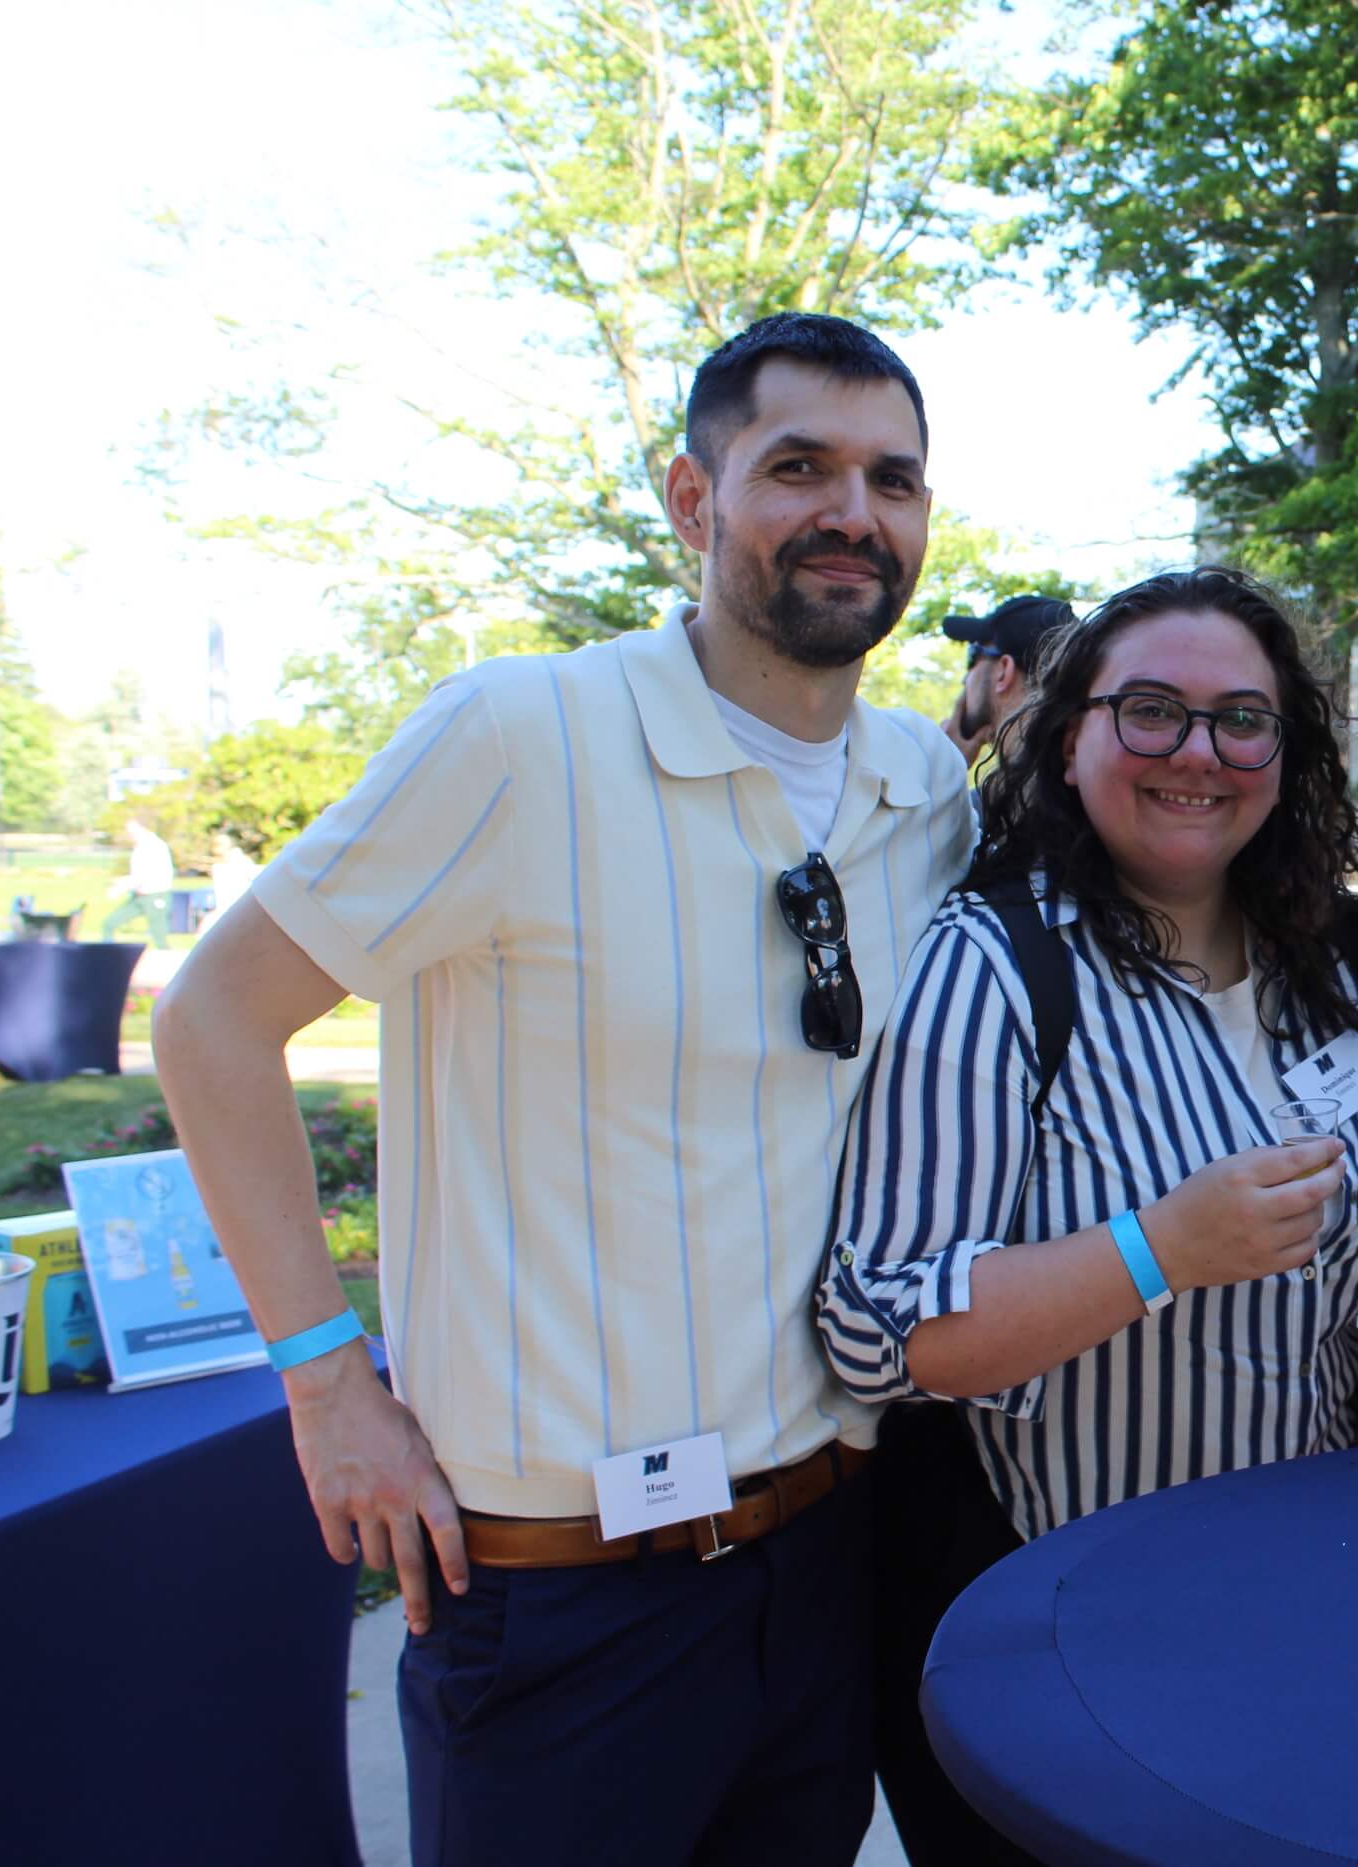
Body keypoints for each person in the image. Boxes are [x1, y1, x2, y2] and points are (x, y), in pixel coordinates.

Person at [151, 311, 975, 1866]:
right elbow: (209, 1018)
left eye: (893, 478)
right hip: (558, 1591)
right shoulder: (518, 735)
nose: (853, 513)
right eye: (797, 467)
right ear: (691, 497)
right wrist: (326, 1381)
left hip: (822, 1561)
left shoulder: (921, 789)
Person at [819, 567, 1358, 1836]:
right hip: (1061, 1623)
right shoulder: (993, 966)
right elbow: (880, 1327)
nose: (1197, 753)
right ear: (1071, 730)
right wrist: (1157, 1249)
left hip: (1298, 1599)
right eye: (1150, 710)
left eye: (1239, 719)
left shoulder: (1339, 957)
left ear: (1286, 747)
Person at [942, 592, 1075, 762]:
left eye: (972, 657)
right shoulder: (1084, 777)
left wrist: (944, 771)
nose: (965, 679)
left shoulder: (1017, 787)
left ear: (1004, 672)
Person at [99, 819, 176, 946]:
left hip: (155, 895)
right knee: (110, 923)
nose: (130, 834)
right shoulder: (141, 847)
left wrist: (119, 888)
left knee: (159, 935)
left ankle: (165, 958)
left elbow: (143, 875)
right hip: (139, 896)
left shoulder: (153, 846)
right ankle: (106, 952)